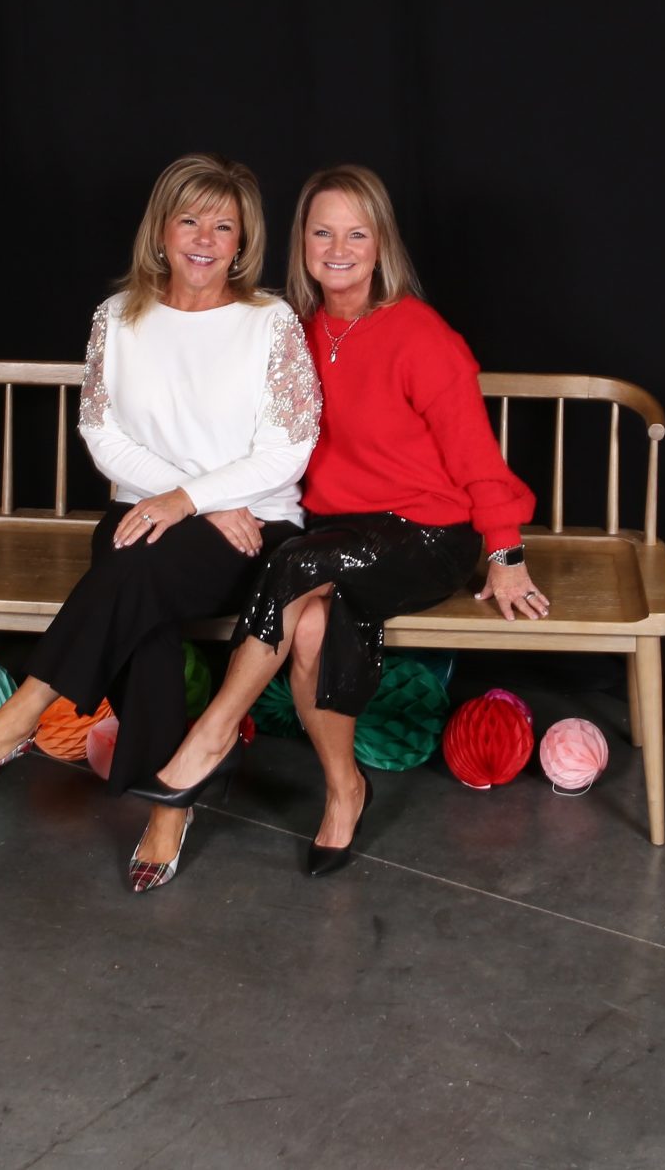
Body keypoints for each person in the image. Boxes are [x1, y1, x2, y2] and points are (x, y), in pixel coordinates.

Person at [0, 153, 319, 893]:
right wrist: (187, 498)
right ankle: (169, 807)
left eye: (223, 226)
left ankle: (24, 710)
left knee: (131, 571)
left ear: (242, 242)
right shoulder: (118, 317)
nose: (205, 239)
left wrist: (192, 502)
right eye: (190, 220)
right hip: (147, 508)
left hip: (254, 526)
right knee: (141, 597)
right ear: (162, 230)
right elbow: (102, 434)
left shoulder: (270, 322)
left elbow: (288, 448)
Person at [131, 165, 543, 876]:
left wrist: (505, 552)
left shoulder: (419, 334)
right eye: (323, 232)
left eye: (357, 233)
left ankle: (212, 734)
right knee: (313, 625)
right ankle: (345, 788)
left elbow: (478, 456)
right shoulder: (292, 330)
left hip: (427, 536)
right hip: (336, 535)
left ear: (381, 245)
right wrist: (212, 493)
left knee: (294, 563)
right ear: (303, 243)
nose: (339, 248)